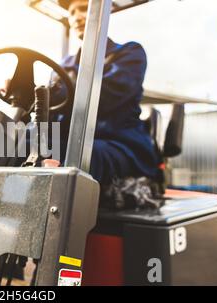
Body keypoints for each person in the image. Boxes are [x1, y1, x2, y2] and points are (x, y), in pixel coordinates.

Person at [54, 0, 159, 185]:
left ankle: (69, 211)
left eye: (84, 9)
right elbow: (50, 110)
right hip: (72, 143)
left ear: (104, 12)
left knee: (80, 158)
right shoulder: (63, 66)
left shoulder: (129, 53)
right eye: (72, 12)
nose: (77, 16)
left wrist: (48, 94)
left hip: (120, 144)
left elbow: (102, 97)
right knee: (16, 145)